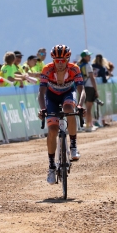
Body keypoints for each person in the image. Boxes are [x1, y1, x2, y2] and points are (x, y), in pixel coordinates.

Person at [37, 44, 86, 185]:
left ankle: (73, 146)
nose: (59, 63)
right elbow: (41, 93)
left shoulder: (74, 69)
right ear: (53, 60)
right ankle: (52, 166)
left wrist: (80, 105)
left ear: (67, 59)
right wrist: (43, 109)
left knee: (69, 109)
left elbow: (82, 90)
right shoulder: (47, 69)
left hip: (67, 94)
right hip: (51, 97)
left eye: (62, 60)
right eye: (56, 60)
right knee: (52, 130)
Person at [78, 50, 98, 132]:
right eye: (88, 56)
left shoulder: (78, 65)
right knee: (89, 107)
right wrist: (96, 90)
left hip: (81, 87)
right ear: (84, 57)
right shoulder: (88, 66)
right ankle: (89, 125)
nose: (90, 57)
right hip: (89, 87)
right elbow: (92, 78)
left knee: (83, 107)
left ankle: (84, 124)